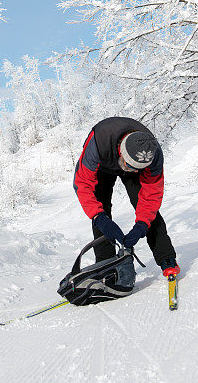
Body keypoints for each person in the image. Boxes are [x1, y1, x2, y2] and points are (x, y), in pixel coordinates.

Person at [73, 116, 179, 277]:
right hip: (103, 165)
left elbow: (151, 195)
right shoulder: (99, 141)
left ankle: (167, 259)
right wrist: (98, 216)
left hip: (131, 161)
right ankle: (106, 264)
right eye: (131, 166)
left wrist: (142, 225)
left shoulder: (153, 155)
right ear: (122, 153)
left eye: (138, 168)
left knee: (146, 208)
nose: (135, 171)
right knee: (101, 212)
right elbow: (82, 182)